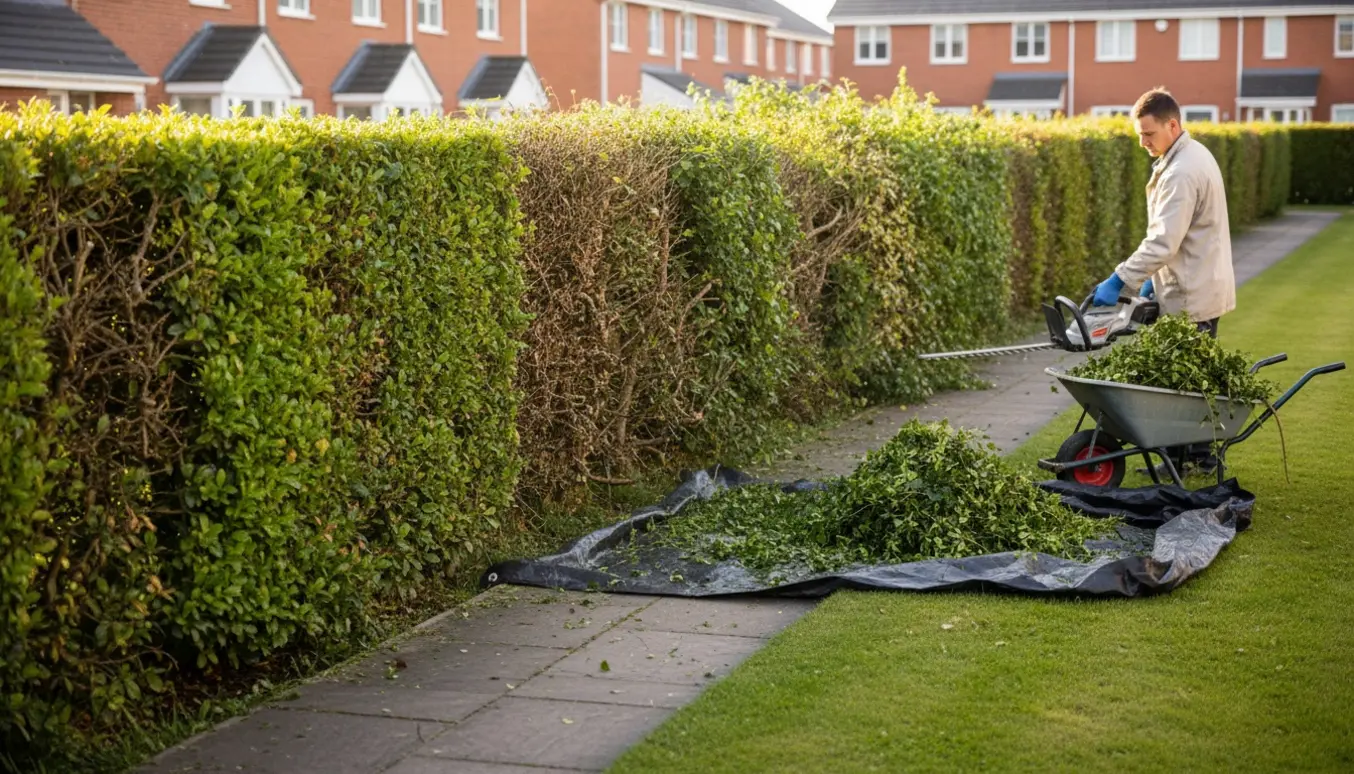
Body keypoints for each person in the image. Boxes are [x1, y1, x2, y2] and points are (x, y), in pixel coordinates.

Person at [1090, 87, 1236, 475]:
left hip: (1194, 293)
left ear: (1173, 125)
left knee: (1190, 386)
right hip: (1190, 282)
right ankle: (1186, 458)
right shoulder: (1186, 156)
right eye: (1139, 134)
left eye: (1149, 134)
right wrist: (1153, 281)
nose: (1143, 143)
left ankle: (1201, 460)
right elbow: (1179, 237)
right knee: (1183, 383)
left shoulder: (1184, 170)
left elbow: (1163, 241)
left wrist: (1118, 279)